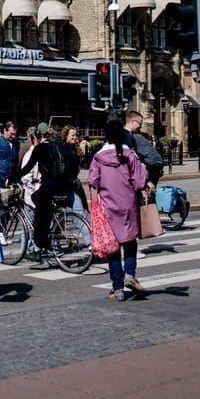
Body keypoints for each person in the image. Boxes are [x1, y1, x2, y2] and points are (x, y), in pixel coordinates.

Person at [89, 120, 149, 300]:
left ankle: (118, 289)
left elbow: (93, 180)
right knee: (130, 242)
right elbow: (139, 182)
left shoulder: (98, 157)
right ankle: (130, 275)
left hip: (108, 206)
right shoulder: (129, 154)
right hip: (128, 204)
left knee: (113, 248)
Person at [26, 123, 70, 252]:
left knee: (40, 211)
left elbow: (28, 167)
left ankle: (40, 243)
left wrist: (13, 178)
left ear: (38, 135)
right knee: (39, 201)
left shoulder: (39, 148)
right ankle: (48, 226)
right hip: (62, 184)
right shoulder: (57, 146)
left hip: (49, 184)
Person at [124, 111, 166, 186]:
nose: (141, 126)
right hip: (147, 169)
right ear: (133, 121)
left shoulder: (133, 135)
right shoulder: (127, 136)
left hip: (152, 168)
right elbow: (132, 155)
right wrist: (146, 179)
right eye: (140, 123)